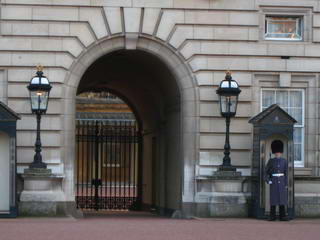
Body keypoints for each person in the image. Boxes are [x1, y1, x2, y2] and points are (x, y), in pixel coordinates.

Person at [265, 140, 289, 221]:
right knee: (274, 199)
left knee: (282, 199)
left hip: (282, 181)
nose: (277, 153)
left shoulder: (284, 161)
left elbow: (286, 173)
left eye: (278, 152)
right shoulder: (271, 161)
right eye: (276, 152)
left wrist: (286, 183)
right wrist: (269, 180)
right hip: (274, 181)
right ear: (274, 152)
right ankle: (272, 216)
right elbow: (266, 172)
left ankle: (282, 216)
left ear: (281, 152)